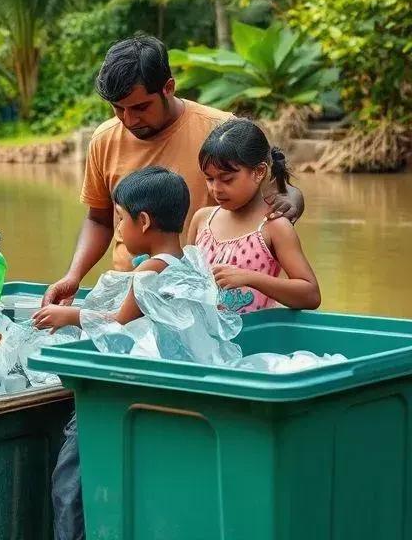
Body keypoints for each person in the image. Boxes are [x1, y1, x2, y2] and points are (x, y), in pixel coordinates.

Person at [42, 35, 305, 540]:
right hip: (131, 306)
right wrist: (74, 276)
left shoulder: (217, 130)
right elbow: (98, 218)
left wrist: (293, 201)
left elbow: (274, 192)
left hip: (187, 316)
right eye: (118, 109)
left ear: (168, 87)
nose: (128, 119)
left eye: (139, 106)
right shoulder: (106, 139)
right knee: (101, 451)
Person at [187, 118, 320, 313]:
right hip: (202, 331)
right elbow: (188, 278)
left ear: (259, 172)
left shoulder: (274, 226)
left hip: (254, 331)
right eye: (209, 179)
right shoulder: (202, 219)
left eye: (227, 179)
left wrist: (250, 278)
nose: (216, 189)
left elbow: (311, 295)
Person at [33, 166, 188, 331]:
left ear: (144, 221)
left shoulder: (150, 269)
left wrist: (70, 316)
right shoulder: (182, 260)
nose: (118, 227)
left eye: (121, 218)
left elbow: (120, 322)